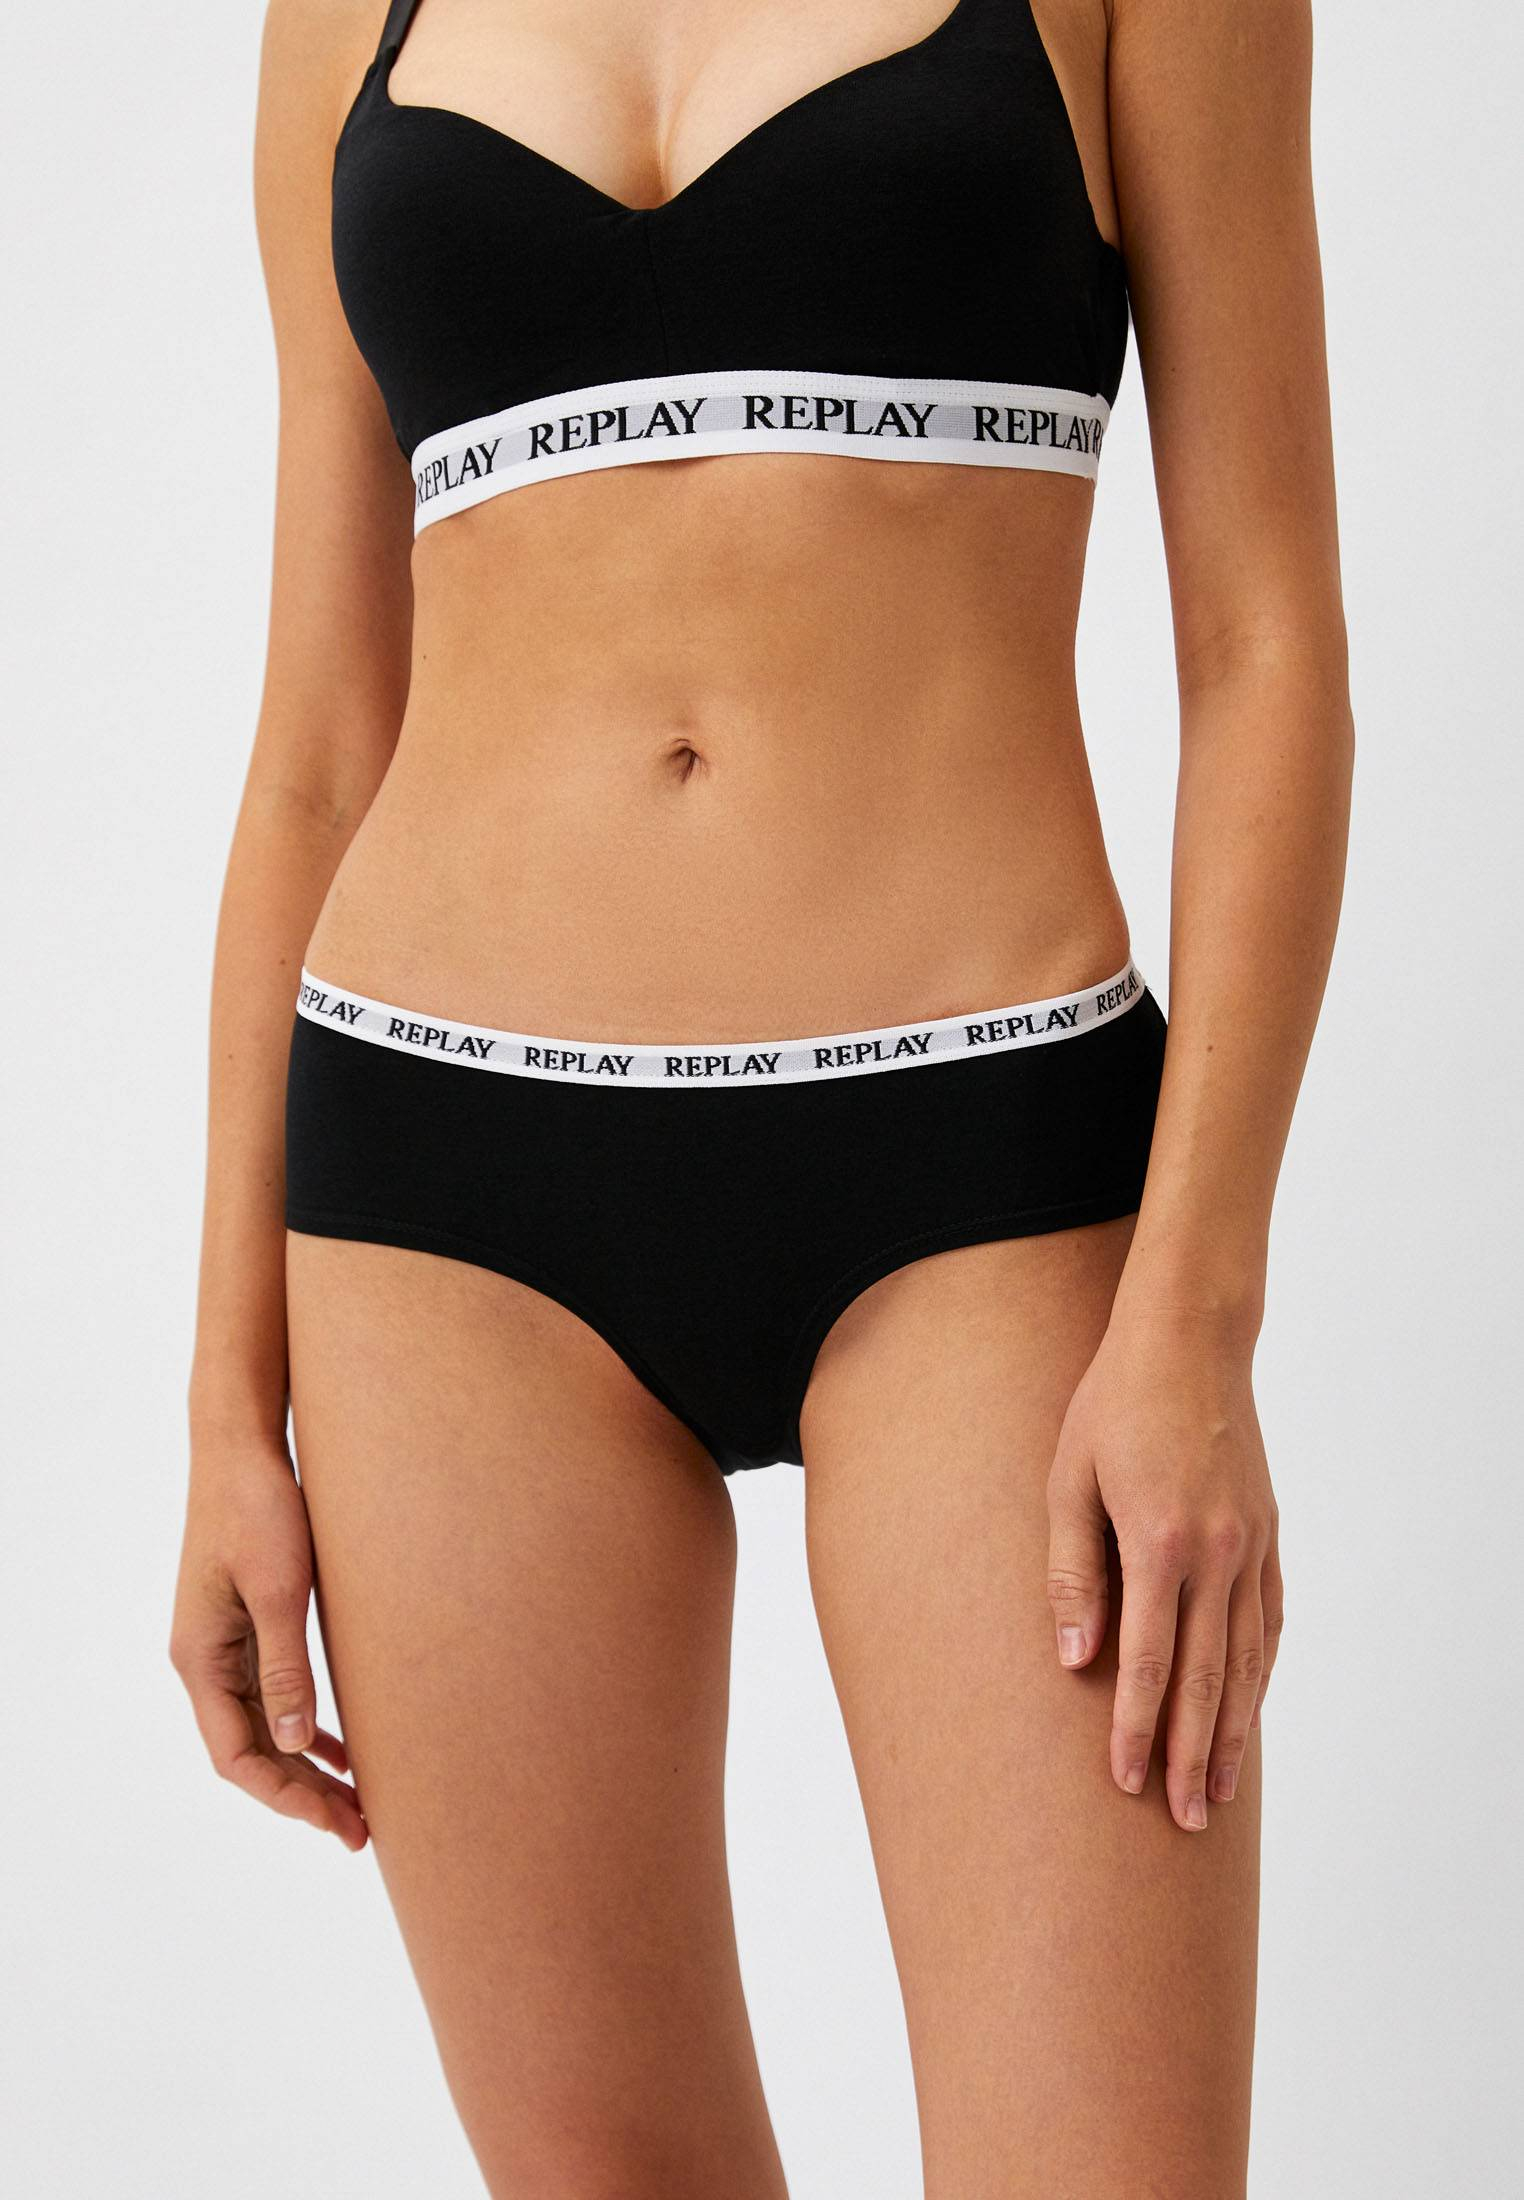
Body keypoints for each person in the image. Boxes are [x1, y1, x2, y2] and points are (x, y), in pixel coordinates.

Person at [170, 2, 1352, 2192]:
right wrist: (226, 1402)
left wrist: (1199, 1318)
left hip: (985, 1160)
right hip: (443, 1199)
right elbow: (320, 734)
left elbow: (1264, 649)